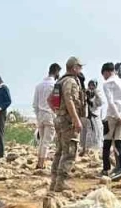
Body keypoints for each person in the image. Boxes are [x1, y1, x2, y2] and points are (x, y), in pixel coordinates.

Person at [49, 57, 86, 193]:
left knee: (59, 151)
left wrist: (59, 112)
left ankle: (54, 182)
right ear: (74, 67)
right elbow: (69, 100)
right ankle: (61, 182)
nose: (81, 70)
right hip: (68, 121)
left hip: (60, 119)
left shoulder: (60, 81)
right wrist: (76, 119)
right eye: (79, 67)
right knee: (69, 152)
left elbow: (49, 100)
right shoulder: (70, 81)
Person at [99, 62, 121, 180]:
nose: (104, 77)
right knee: (118, 142)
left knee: (107, 143)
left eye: (103, 74)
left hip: (112, 116)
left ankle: (106, 169)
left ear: (106, 72)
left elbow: (110, 101)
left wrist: (117, 116)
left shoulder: (107, 83)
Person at [33, 64, 61, 171]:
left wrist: (37, 115)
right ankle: (41, 163)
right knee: (47, 141)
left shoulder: (39, 85)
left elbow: (35, 104)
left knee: (42, 140)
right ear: (56, 72)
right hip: (50, 114)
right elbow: (57, 103)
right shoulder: (55, 85)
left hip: (40, 114)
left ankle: (39, 161)